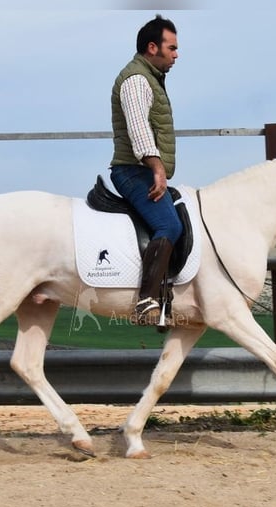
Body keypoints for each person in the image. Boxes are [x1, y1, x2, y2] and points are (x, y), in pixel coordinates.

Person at [110, 14, 183, 325]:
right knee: (170, 225)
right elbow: (139, 129)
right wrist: (157, 168)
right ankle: (146, 300)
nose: (177, 54)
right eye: (172, 47)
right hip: (132, 171)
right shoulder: (137, 80)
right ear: (153, 47)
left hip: (141, 170)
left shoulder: (149, 78)